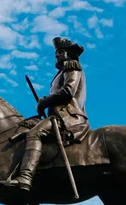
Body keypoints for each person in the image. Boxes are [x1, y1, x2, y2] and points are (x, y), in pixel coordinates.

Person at [8, 36, 90, 191]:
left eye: (60, 51)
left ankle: (25, 177)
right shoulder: (60, 73)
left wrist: (44, 101)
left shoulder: (71, 66)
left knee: (34, 134)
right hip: (59, 115)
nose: (57, 55)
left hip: (68, 116)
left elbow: (67, 92)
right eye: (56, 52)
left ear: (68, 53)